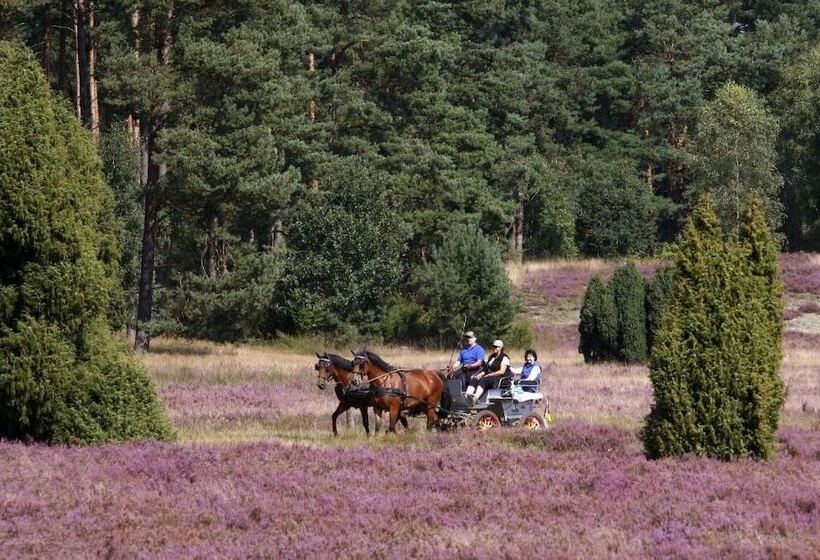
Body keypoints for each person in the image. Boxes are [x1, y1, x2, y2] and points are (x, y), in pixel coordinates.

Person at [465, 339, 510, 405]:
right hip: (489, 377)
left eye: (496, 347)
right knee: (475, 379)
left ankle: (475, 398)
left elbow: (502, 371)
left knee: (484, 380)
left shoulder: (504, 358)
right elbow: (486, 369)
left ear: (501, 348)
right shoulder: (491, 357)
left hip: (499, 378)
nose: (494, 348)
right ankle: (467, 396)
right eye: (493, 346)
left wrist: (489, 375)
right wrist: (480, 374)